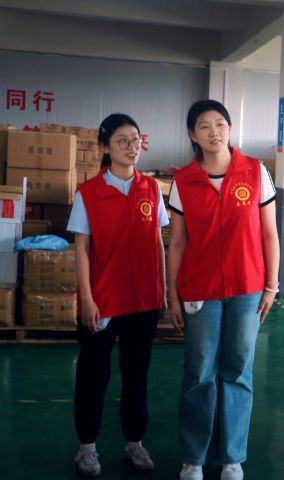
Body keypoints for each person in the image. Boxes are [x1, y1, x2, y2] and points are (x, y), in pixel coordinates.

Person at [167, 99, 280, 480]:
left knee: (238, 370)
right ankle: (193, 458)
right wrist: (172, 295)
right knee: (199, 371)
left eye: (220, 124)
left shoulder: (255, 171)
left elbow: (269, 233)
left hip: (247, 288)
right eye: (204, 126)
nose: (214, 132)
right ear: (192, 134)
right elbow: (177, 242)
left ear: (230, 129)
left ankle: (232, 457)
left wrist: (271, 286)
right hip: (199, 289)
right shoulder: (183, 181)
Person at [68, 113, 168, 477]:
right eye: (122, 141)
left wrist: (162, 291)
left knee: (136, 375)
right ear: (105, 147)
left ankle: (135, 442)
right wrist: (88, 299)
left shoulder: (151, 189)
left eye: (136, 140)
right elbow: (81, 249)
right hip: (103, 301)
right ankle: (87, 448)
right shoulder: (89, 193)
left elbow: (158, 242)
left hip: (142, 301)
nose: (131, 147)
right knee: (94, 376)